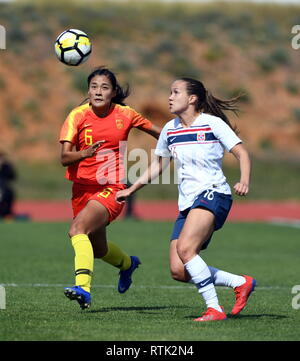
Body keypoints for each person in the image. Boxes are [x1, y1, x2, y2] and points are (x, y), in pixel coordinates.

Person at [116, 77, 256, 322]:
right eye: (170, 92)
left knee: (186, 249)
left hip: (214, 193)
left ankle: (214, 309)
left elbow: (241, 152)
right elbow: (158, 165)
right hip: (188, 202)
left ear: (192, 99)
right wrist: (132, 189)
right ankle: (240, 282)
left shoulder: (211, 123)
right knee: (179, 270)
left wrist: (244, 179)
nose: (170, 97)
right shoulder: (170, 129)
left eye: (175, 92)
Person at [59, 66, 161, 309]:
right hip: (81, 190)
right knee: (98, 249)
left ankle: (82, 288)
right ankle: (128, 264)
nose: (98, 92)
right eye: (93, 87)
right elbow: (64, 157)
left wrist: (181, 142)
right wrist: (85, 152)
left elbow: (159, 133)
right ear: (88, 90)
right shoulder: (77, 115)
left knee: (77, 230)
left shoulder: (125, 114)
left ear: (114, 92)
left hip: (111, 187)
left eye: (104, 87)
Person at [0, 151, 17, 219]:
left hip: (5, 188)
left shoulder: (7, 166)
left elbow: (13, 176)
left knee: (9, 194)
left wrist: (2, 167)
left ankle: (7, 213)